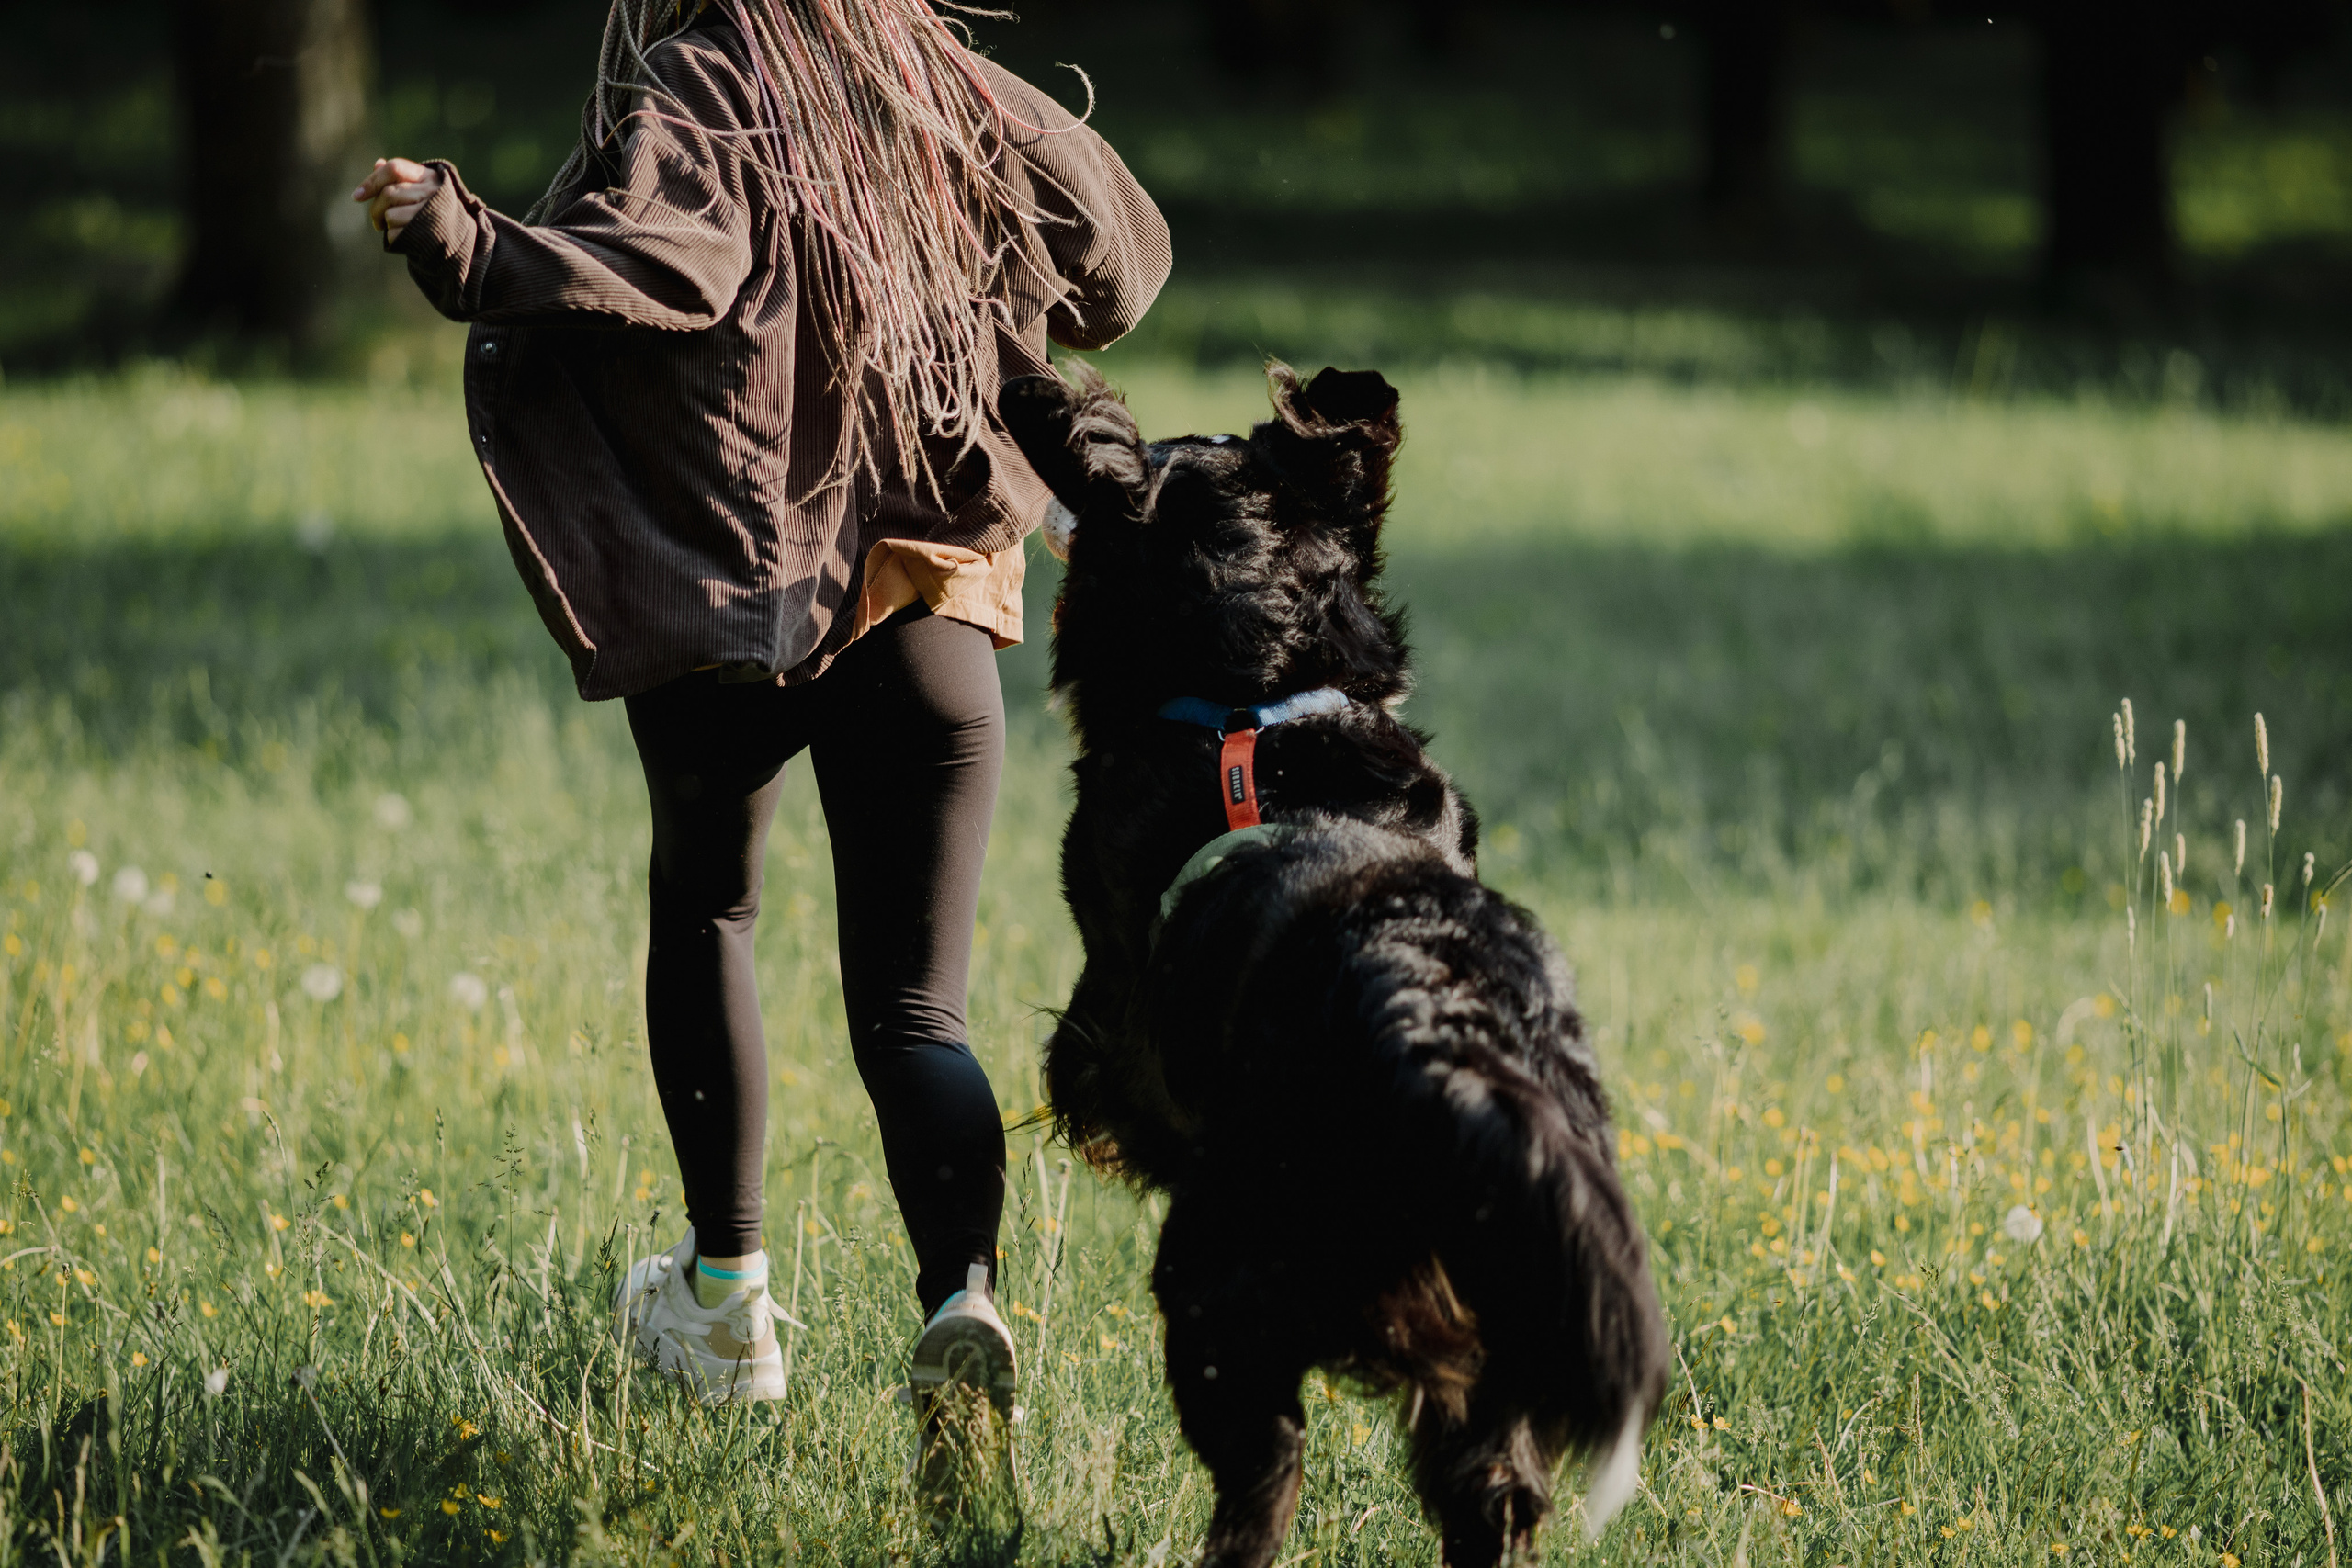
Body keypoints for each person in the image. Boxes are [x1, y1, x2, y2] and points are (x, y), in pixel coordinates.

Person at [355, 0, 1168, 1414]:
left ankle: (727, 1303)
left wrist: (463, 236)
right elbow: (1117, 258)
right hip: (927, 593)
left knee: (709, 907)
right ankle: (961, 1298)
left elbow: (665, 262)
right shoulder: (931, 75)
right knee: (921, 1007)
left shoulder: (700, 82)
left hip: (735, 594)